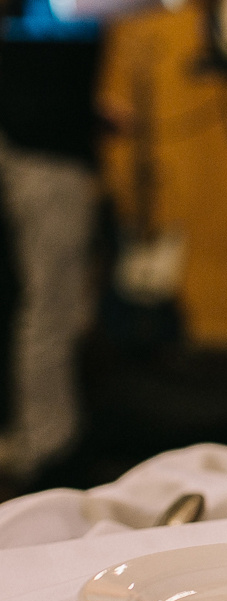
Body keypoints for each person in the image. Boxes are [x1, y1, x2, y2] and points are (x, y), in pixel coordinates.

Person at [0, 0, 103, 482]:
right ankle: (46, 450)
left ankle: (43, 441)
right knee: (51, 308)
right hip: (45, 151)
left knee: (46, 305)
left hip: (37, 138)